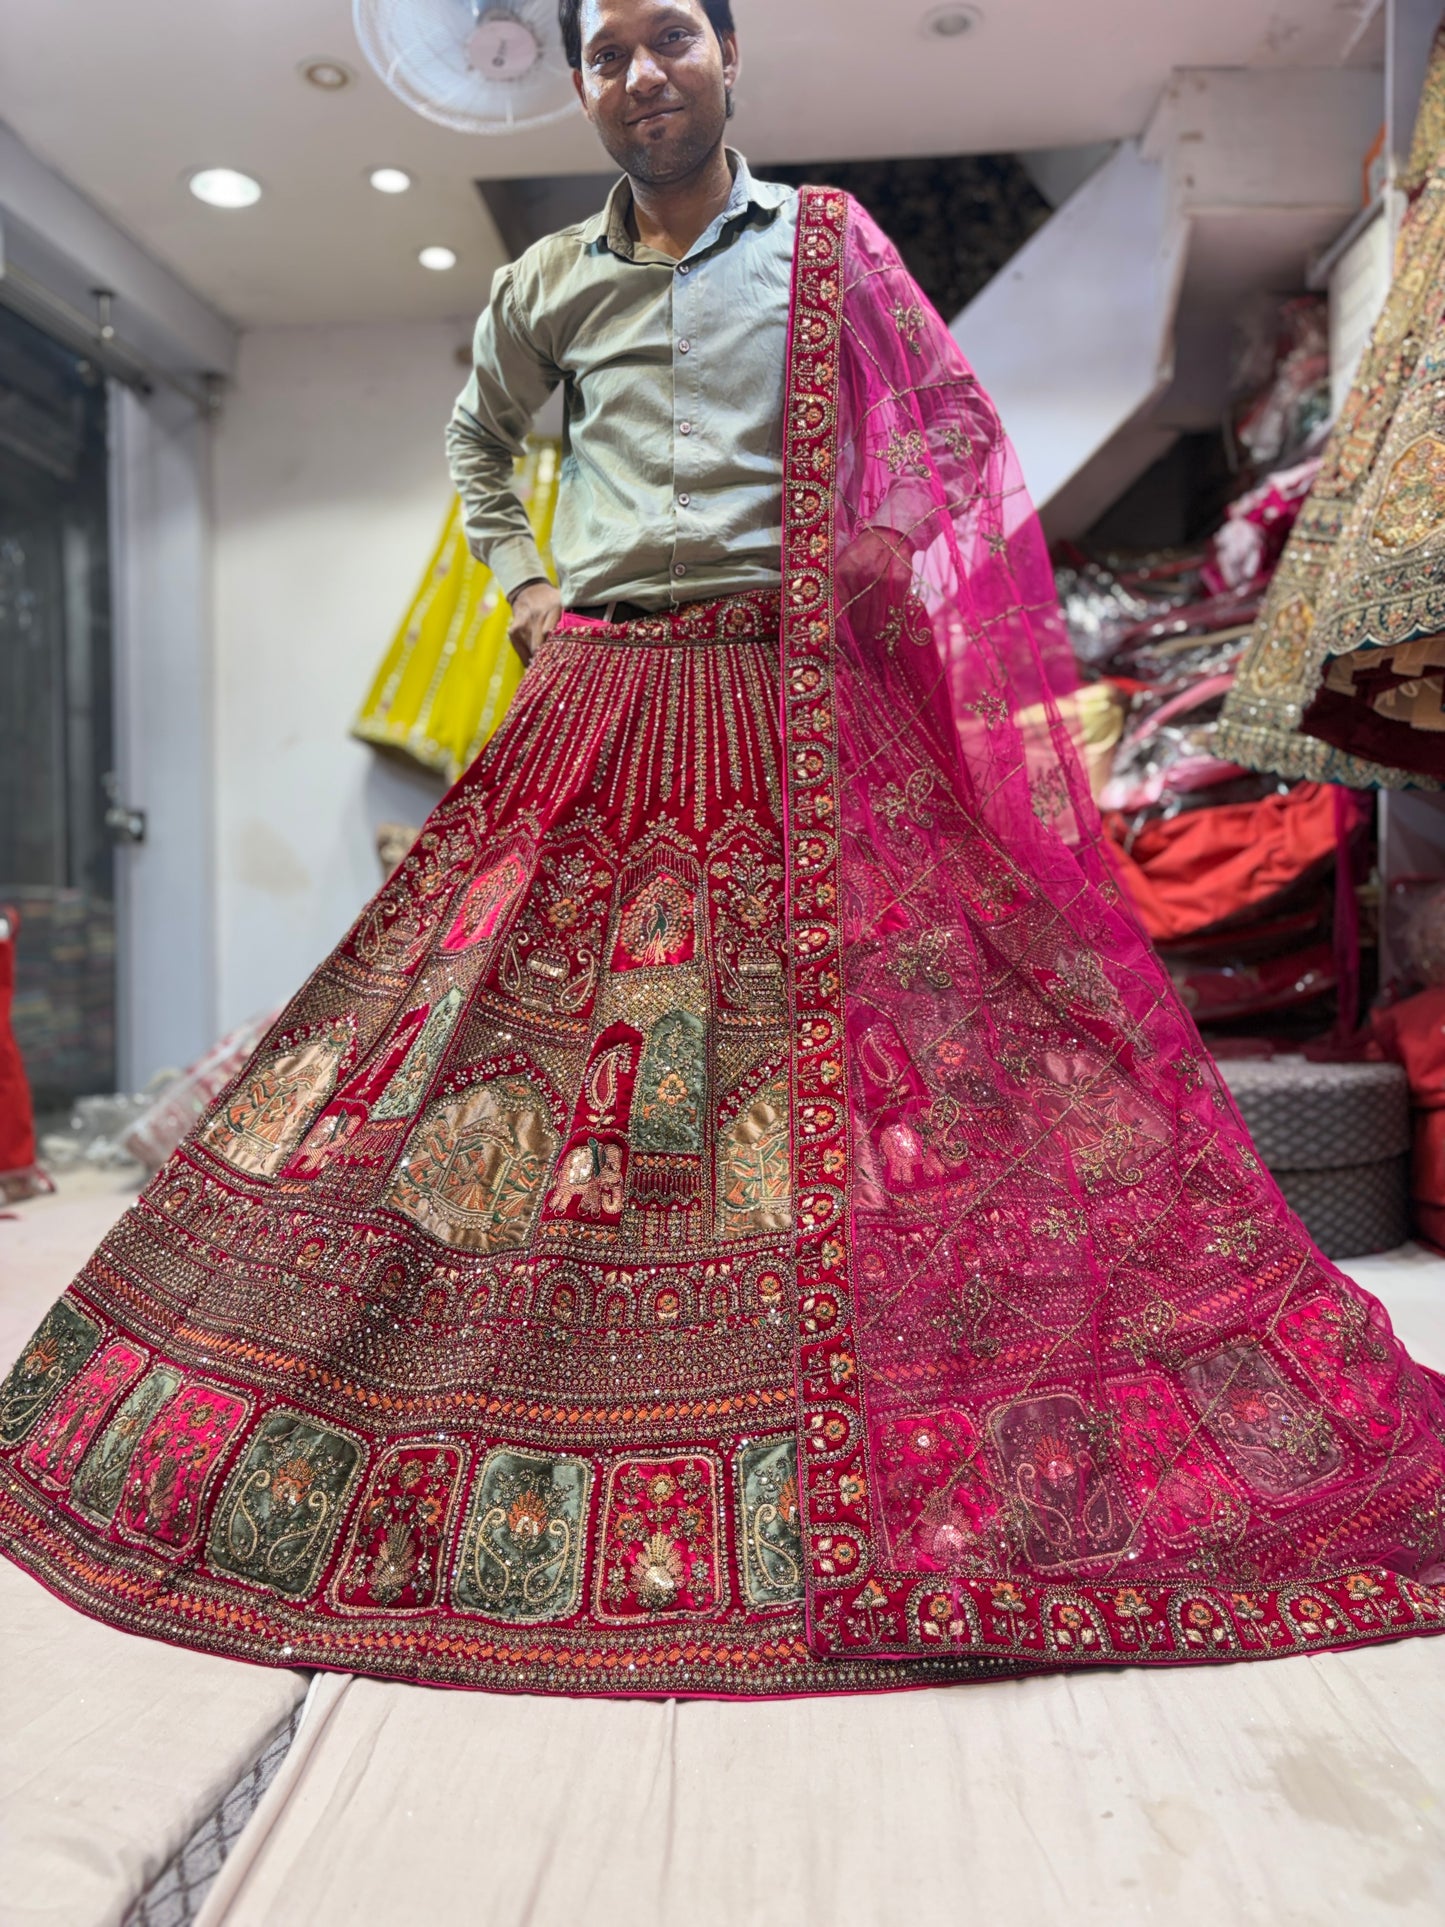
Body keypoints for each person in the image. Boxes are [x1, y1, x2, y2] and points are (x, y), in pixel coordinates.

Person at [3, 0, 1444, 1698]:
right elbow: (481, 445)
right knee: (495, 1039)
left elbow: (958, 443)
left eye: (666, 33)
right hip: (602, 694)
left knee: (852, 1050)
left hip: (791, 694)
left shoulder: (826, 247)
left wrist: (879, 545)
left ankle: (797, 1391)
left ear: (726, 54)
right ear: (581, 82)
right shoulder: (543, 287)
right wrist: (529, 593)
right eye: (603, 49)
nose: (638, 71)